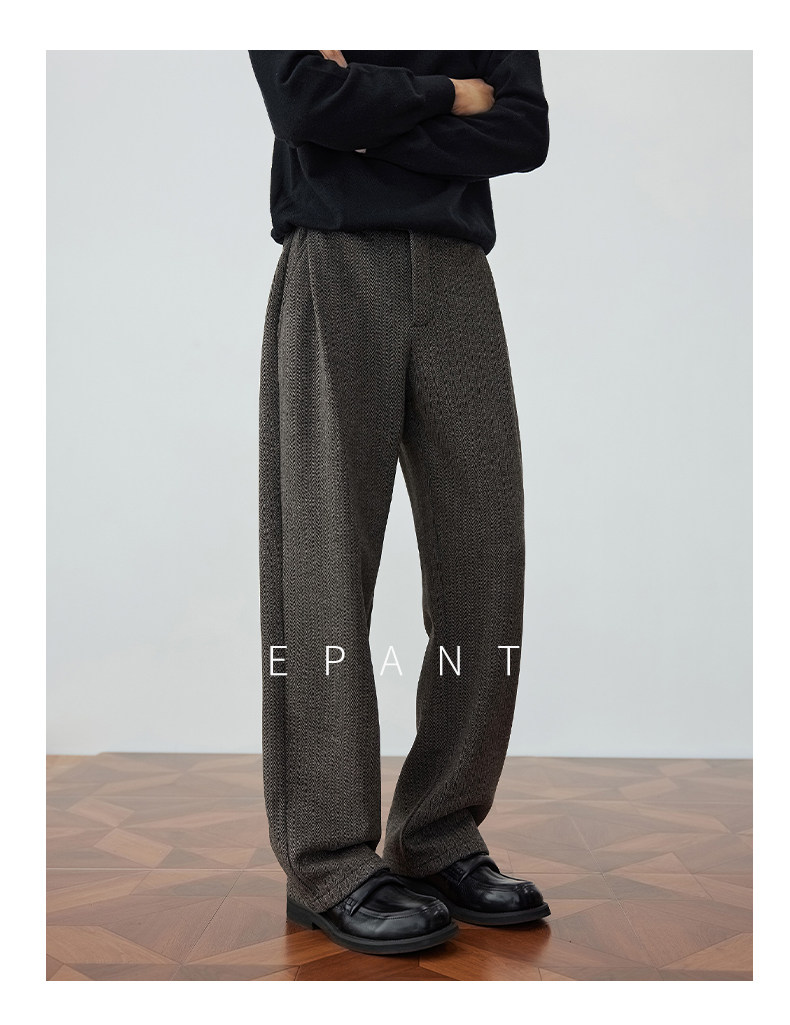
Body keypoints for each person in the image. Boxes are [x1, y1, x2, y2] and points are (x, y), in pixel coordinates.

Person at [248, 49, 551, 956]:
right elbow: (305, 105)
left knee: (486, 554)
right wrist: (449, 96)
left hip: (458, 275)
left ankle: (437, 832)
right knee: (324, 561)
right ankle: (328, 859)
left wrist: (367, 117)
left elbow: (523, 132)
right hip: (335, 264)